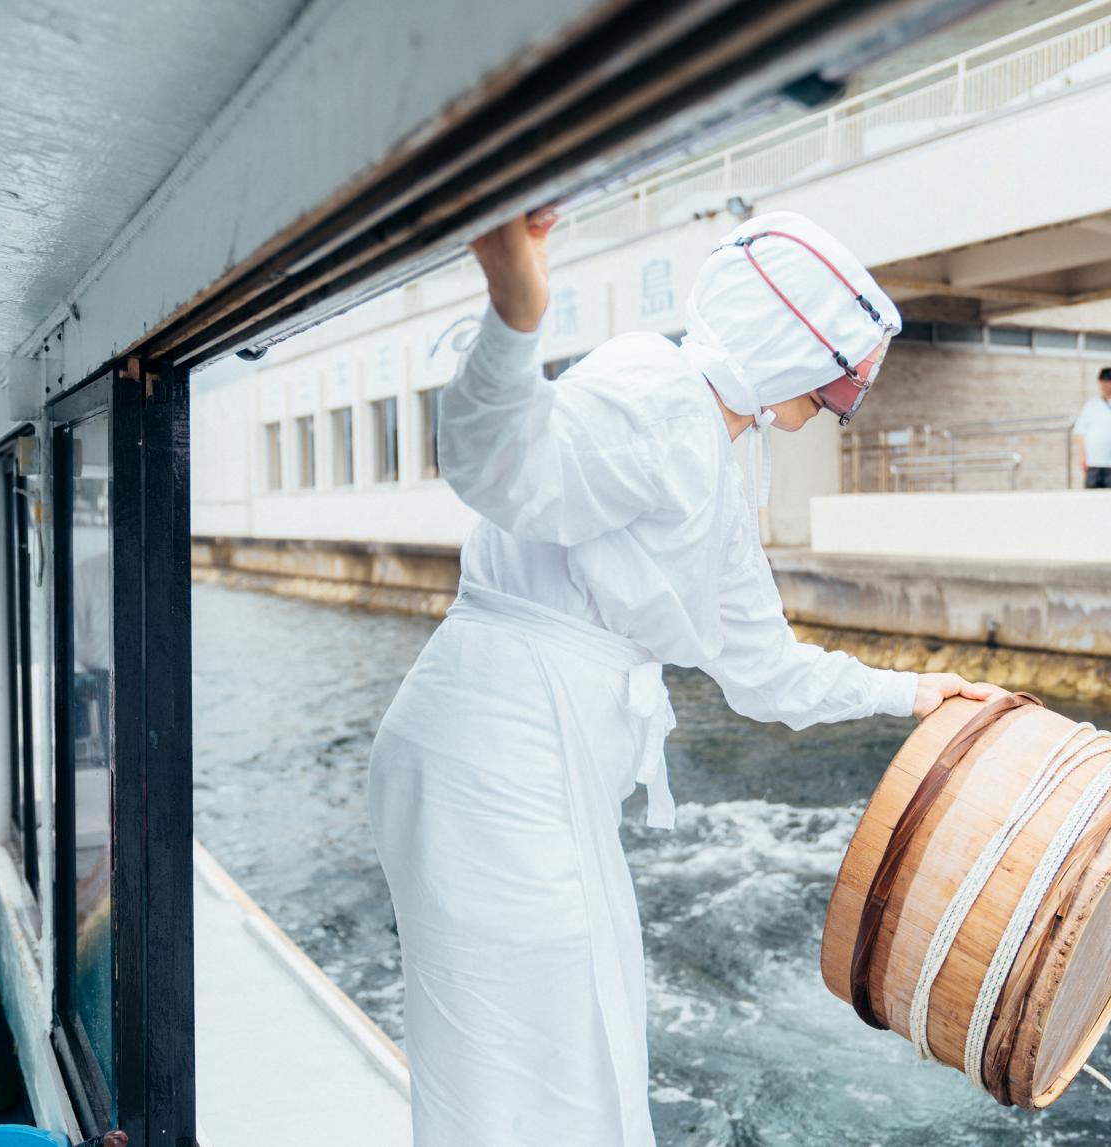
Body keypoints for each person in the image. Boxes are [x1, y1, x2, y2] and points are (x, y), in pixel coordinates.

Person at [367, 208, 1001, 1146]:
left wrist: (912, 692)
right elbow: (497, 460)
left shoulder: (715, 448)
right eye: (842, 376)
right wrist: (517, 315)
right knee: (530, 1057)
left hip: (528, 758)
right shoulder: (655, 390)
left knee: (553, 1043)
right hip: (496, 760)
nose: (842, 400)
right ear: (791, 344)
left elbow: (762, 671)